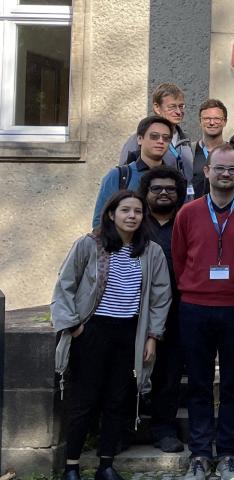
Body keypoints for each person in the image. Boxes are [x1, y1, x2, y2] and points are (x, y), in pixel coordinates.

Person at [53, 191, 171, 480]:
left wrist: (152, 337)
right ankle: (72, 466)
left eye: (138, 211)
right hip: (92, 331)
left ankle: (106, 464)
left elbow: (160, 296)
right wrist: (73, 326)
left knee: (117, 399)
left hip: (130, 333)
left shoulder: (151, 251)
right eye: (125, 211)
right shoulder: (88, 245)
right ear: (111, 214)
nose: (132, 216)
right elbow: (65, 285)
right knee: (85, 400)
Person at [171, 145, 234, 480]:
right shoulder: (188, 213)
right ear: (207, 171)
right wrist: (195, 286)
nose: (226, 175)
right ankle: (199, 454)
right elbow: (180, 257)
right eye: (220, 169)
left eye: (232, 170)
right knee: (198, 383)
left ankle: (227, 454)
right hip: (196, 308)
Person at [138, 166, 189, 454]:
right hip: (133, 307)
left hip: (178, 307)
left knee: (169, 373)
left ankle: (163, 429)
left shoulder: (187, 219)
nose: (164, 193)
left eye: (170, 189)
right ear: (146, 193)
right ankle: (119, 428)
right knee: (125, 371)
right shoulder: (134, 220)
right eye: (156, 188)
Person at [94, 115, 176, 227]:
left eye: (166, 138)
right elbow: (100, 221)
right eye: (154, 136)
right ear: (140, 139)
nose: (161, 141)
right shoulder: (119, 176)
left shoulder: (175, 179)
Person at [117, 84, 196, 192]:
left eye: (181, 106)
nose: (178, 112)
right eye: (172, 107)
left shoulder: (185, 140)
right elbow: (125, 177)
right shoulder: (139, 139)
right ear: (157, 108)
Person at [191, 99, 230, 198]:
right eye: (207, 118)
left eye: (217, 118)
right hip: (195, 209)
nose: (212, 123)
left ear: (225, 122)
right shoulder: (189, 151)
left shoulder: (233, 151)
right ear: (200, 121)